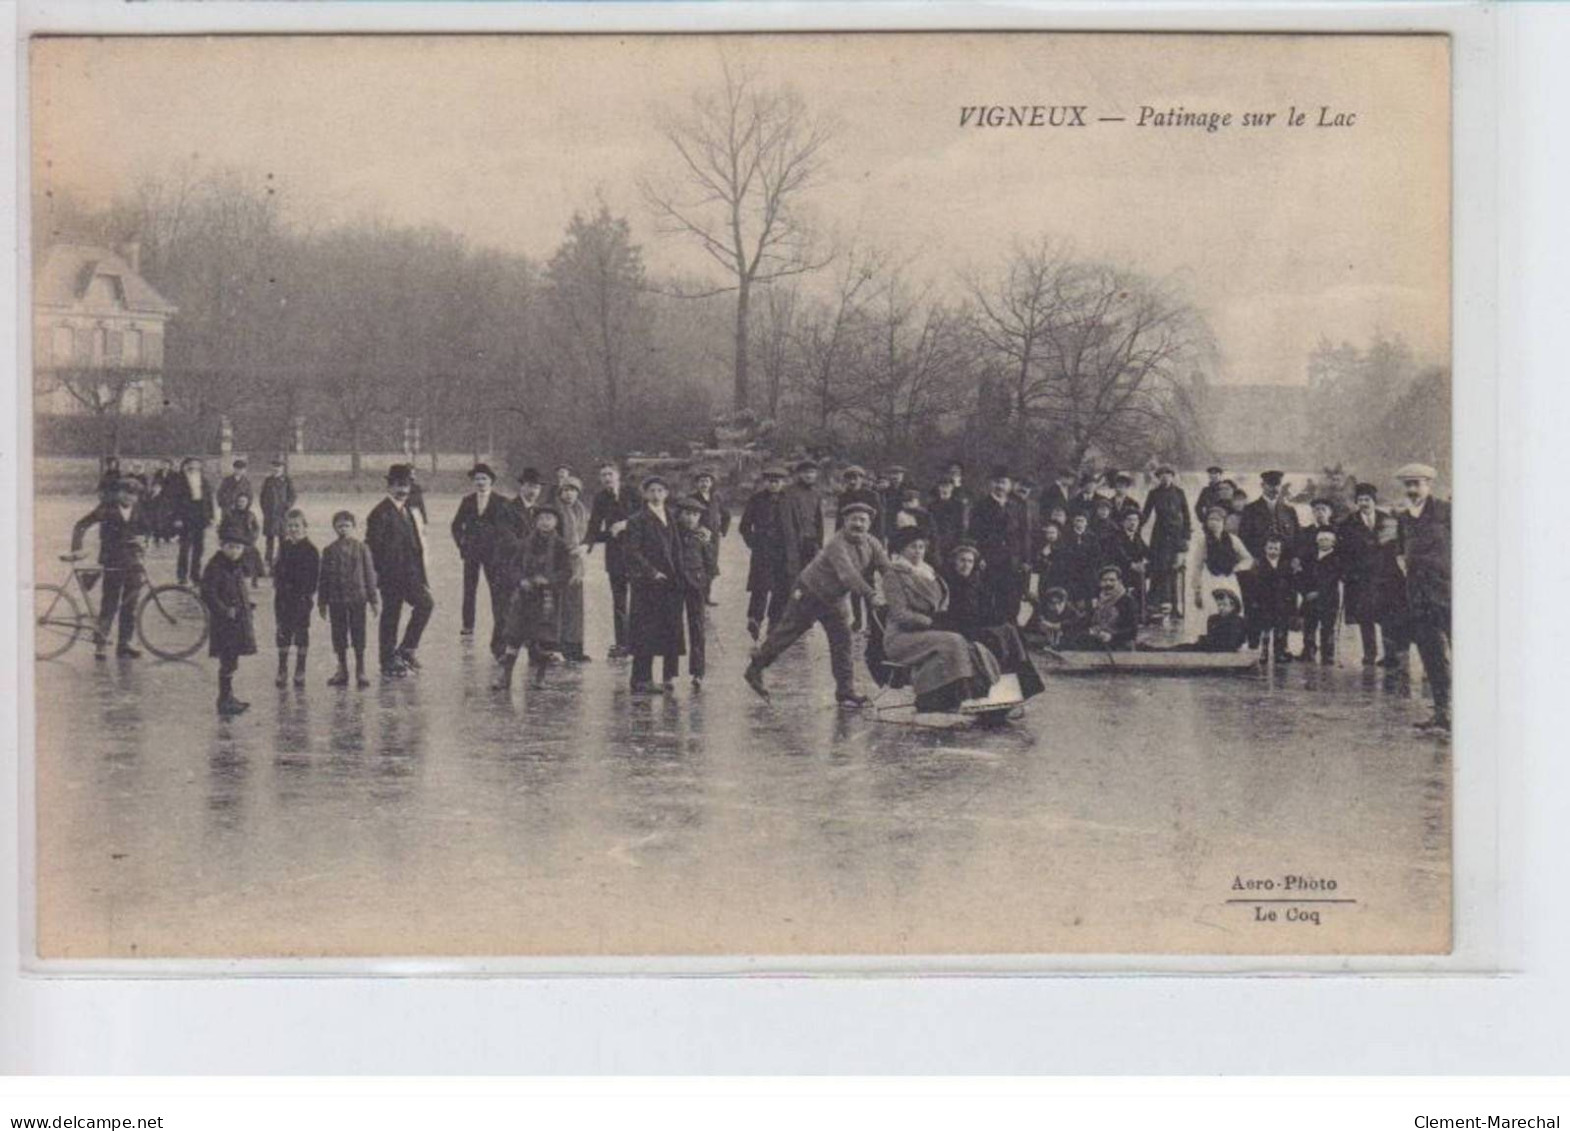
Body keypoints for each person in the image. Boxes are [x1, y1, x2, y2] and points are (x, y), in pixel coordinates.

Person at [743, 500, 891, 706]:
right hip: (810, 593)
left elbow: (887, 569)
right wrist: (872, 595)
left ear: (869, 524)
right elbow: (848, 576)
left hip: (835, 599)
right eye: (853, 519)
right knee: (786, 634)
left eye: (863, 520)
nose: (858, 524)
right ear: (844, 522)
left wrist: (901, 586)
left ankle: (845, 691)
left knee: (843, 643)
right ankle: (755, 667)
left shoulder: (872, 543)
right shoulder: (836, 544)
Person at [880, 527, 1025, 715]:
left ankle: (983, 697)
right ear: (901, 550)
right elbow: (900, 614)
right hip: (902, 637)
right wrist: (931, 622)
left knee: (971, 642)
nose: (918, 551)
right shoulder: (894, 574)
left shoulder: (928, 572)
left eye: (921, 547)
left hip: (926, 633)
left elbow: (942, 606)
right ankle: (942, 699)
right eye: (912, 547)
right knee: (953, 641)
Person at [493, 504, 573, 691]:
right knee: (514, 636)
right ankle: (505, 677)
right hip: (524, 598)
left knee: (544, 638)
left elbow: (566, 572)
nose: (545, 523)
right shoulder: (525, 543)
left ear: (556, 522)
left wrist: (548, 581)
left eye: (549, 519)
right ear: (535, 522)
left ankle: (540, 677)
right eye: (541, 519)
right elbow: (513, 567)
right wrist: (521, 581)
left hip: (548, 600)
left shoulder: (561, 545)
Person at [365, 463, 434, 677]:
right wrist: (379, 576)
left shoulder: (410, 511)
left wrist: (422, 577)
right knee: (391, 616)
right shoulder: (379, 513)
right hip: (391, 575)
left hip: (411, 574)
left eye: (406, 485)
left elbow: (417, 546)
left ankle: (406, 649)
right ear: (389, 487)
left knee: (426, 604)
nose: (403, 490)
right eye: (397, 486)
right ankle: (387, 660)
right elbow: (373, 547)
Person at [1396, 463, 1451, 730]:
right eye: (1408, 484)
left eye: (1417, 483)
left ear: (1429, 485)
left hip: (1448, 595)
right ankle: (1442, 713)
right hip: (1418, 598)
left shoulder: (1445, 511)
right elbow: (1400, 555)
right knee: (1432, 656)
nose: (1412, 489)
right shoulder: (1404, 518)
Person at [69, 477, 149, 659]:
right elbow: (81, 525)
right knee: (110, 604)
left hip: (134, 562)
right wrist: (76, 549)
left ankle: (124, 644)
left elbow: (147, 529)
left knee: (131, 604)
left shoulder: (138, 509)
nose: (129, 497)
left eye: (134, 494)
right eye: (126, 492)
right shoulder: (106, 508)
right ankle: (101, 644)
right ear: (118, 492)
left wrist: (144, 540)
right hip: (112, 561)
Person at [623, 476, 687, 694]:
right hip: (647, 584)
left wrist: (680, 574)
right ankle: (641, 679)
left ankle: (669, 676)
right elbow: (633, 551)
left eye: (661, 490)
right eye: (652, 490)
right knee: (645, 630)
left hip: (670, 582)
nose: (656, 494)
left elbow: (678, 547)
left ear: (666, 494)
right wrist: (652, 572)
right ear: (645, 494)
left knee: (669, 627)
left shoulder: (671, 516)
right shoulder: (637, 519)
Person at [584, 461, 641, 659]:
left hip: (637, 554)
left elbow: (647, 515)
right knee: (618, 601)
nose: (607, 478)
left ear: (618, 475)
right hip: (615, 555)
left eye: (610, 474)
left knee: (640, 600)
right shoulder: (600, 498)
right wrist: (586, 545)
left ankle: (639, 643)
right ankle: (622, 644)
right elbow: (594, 524)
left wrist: (626, 523)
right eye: (603, 475)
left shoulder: (632, 492)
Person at [450, 463, 511, 647]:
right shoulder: (467, 501)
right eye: (477, 479)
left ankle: (500, 625)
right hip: (472, 552)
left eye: (484, 479)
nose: (480, 482)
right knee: (469, 589)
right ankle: (468, 625)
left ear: (491, 481)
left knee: (497, 590)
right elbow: (455, 525)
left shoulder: (502, 501)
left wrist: (503, 548)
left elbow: (509, 528)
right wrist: (462, 544)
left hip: (494, 554)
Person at [317, 510, 378, 688]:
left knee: (359, 634)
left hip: (358, 599)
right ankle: (342, 669)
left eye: (347, 525)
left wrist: (373, 600)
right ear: (334, 528)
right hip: (336, 600)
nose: (343, 529)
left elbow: (369, 575)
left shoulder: (362, 548)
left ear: (353, 527)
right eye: (340, 525)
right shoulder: (329, 550)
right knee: (339, 635)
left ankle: (361, 670)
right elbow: (323, 578)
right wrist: (322, 602)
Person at [202, 531, 257, 717]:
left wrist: (247, 604)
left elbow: (238, 589)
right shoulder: (216, 566)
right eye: (230, 547)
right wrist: (224, 610)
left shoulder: (236, 566)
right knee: (227, 660)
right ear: (222, 546)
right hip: (224, 623)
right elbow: (208, 593)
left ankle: (228, 696)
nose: (234, 551)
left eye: (238, 548)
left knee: (232, 660)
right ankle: (224, 699)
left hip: (237, 620)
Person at [739, 465, 797, 640]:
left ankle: (775, 621)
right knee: (760, 587)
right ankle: (755, 619)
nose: (774, 485)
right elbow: (744, 526)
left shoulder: (790, 501)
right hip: (763, 551)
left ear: (783, 483)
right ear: (766, 482)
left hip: (784, 552)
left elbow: (797, 526)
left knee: (782, 588)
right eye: (771, 481)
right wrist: (754, 543)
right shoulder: (756, 500)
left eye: (777, 481)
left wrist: (794, 548)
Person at [969, 466, 1030, 627]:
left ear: (1010, 485)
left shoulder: (1017, 506)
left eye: (1003, 482)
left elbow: (1024, 534)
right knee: (988, 596)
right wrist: (979, 556)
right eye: (996, 482)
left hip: (1012, 560)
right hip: (990, 559)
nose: (1000, 486)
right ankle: (989, 632)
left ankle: (1010, 632)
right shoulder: (980, 506)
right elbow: (974, 534)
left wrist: (1025, 559)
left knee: (1011, 598)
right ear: (990, 484)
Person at [1337, 483, 1385, 666]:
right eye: (1360, 500)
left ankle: (1390, 655)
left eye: (1367, 500)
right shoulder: (1348, 524)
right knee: (1366, 618)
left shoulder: (1387, 520)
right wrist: (1347, 574)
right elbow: (1342, 553)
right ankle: (1370, 655)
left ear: (1374, 501)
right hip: (1361, 579)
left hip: (1383, 578)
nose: (1364, 503)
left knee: (1387, 616)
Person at [271, 508, 319, 688]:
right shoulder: (284, 546)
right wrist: (279, 586)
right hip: (283, 599)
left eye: (297, 526)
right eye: (290, 526)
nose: (293, 529)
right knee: (283, 632)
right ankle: (282, 668)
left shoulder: (311, 550)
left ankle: (300, 669)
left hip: (301, 599)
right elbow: (277, 571)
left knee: (301, 633)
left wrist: (306, 596)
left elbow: (313, 578)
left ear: (305, 528)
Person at [673, 496, 715, 690]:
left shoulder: (702, 536)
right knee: (672, 628)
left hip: (696, 585)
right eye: (687, 514)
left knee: (697, 627)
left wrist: (704, 584)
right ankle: (669, 673)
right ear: (679, 515)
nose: (691, 518)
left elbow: (711, 564)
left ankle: (698, 672)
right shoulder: (671, 533)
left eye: (695, 515)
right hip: (674, 584)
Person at [1140, 465, 1192, 620]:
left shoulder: (1179, 493)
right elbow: (1145, 514)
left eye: (1168, 474)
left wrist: (1186, 537)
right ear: (1158, 477)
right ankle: (1156, 605)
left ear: (1172, 476)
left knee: (1174, 570)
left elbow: (1187, 516)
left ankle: (1175, 607)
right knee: (1160, 570)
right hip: (1159, 538)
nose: (1165, 477)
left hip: (1176, 538)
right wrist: (1134, 529)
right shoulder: (1154, 494)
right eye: (1161, 475)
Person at [835, 465, 883, 631]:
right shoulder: (843, 497)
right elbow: (838, 523)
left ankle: (872, 620)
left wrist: (877, 545)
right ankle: (857, 620)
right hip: (849, 544)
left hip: (868, 544)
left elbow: (879, 523)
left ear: (862, 479)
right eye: (850, 479)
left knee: (868, 581)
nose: (853, 481)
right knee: (854, 581)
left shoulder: (872, 496)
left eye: (856, 478)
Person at [1190, 505, 1255, 619]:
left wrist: (1237, 568)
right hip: (1210, 580)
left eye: (1217, 519)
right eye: (1211, 519)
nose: (1214, 523)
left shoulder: (1232, 539)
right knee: (1212, 610)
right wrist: (1197, 590)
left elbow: (1248, 559)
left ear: (1223, 522)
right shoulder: (1203, 541)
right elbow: (1197, 566)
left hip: (1229, 580)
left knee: (1232, 610)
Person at [554, 476, 592, 663]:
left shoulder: (581, 510)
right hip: (560, 562)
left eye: (573, 490)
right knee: (559, 606)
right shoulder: (556, 511)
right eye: (565, 490)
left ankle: (575, 647)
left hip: (577, 563)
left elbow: (588, 534)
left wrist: (584, 547)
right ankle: (557, 647)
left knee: (575, 606)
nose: (569, 494)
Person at [1371, 511, 1412, 669]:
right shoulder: (1378, 546)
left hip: (1399, 592)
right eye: (1384, 528)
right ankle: (1390, 657)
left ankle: (1402, 663)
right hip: (1382, 591)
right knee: (1385, 624)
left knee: (1401, 626)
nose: (1387, 531)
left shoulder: (1400, 547)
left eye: (1392, 528)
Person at [1296, 527, 1343, 663]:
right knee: (1309, 625)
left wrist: (1318, 593)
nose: (1323, 542)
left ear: (1333, 542)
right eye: (1321, 539)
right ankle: (1309, 651)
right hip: (1309, 598)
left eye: (1327, 539)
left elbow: (1332, 579)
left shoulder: (1337, 558)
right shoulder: (1309, 557)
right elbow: (1301, 576)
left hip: (1328, 598)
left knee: (1327, 626)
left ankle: (1327, 654)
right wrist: (1305, 592)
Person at [1065, 565, 1139, 650]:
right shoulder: (1099, 599)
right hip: (1099, 642)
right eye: (1104, 580)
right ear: (1100, 583)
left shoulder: (1127, 601)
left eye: (1112, 580)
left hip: (1120, 646)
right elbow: (1087, 620)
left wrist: (1112, 636)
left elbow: (1132, 631)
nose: (1108, 583)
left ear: (1119, 581)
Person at [1247, 534, 1296, 663]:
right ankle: (1263, 652)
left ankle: (1279, 652)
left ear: (1280, 550)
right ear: (1265, 549)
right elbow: (1253, 584)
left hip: (1281, 601)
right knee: (1265, 628)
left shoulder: (1285, 565)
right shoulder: (1259, 564)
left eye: (1276, 549)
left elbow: (1291, 584)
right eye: (1270, 548)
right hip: (1265, 602)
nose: (1273, 551)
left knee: (1280, 628)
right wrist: (1255, 601)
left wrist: (1290, 599)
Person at [169, 456, 216, 586]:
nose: (194, 469)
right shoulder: (178, 481)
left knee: (199, 548)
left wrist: (211, 516)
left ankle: (195, 575)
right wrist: (176, 517)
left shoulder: (203, 480)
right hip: (185, 517)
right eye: (191, 466)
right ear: (185, 467)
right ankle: (182, 576)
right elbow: (173, 501)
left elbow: (209, 499)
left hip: (200, 517)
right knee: (184, 548)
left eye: (197, 466)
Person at [1153, 589, 1248, 653]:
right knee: (1178, 648)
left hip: (1215, 651)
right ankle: (1151, 650)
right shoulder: (1213, 619)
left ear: (1233, 605)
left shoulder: (1238, 622)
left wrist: (1205, 641)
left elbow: (1231, 644)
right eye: (1219, 605)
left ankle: (1153, 651)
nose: (1221, 608)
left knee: (1179, 649)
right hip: (1206, 649)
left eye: (1224, 605)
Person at [690, 466, 730, 607]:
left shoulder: (716, 497)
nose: (704, 484)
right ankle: (698, 596)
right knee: (698, 566)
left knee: (711, 566)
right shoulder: (692, 498)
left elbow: (726, 515)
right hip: (697, 537)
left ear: (711, 483)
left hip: (713, 538)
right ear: (697, 483)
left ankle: (706, 596)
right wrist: (694, 530)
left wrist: (722, 530)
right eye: (701, 481)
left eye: (707, 481)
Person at [783, 459, 826, 570]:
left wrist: (820, 543)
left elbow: (819, 520)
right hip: (794, 541)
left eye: (812, 472)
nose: (809, 475)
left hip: (811, 541)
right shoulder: (788, 492)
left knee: (811, 574)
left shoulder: (816, 494)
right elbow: (786, 520)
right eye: (805, 472)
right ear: (799, 474)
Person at [1105, 508, 1150, 613]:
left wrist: (1153, 560)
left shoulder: (1137, 537)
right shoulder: (1116, 537)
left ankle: (1143, 610)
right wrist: (1132, 564)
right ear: (1123, 522)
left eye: (1135, 520)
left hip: (1134, 571)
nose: (1133, 523)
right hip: (1119, 570)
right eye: (1129, 520)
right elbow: (1120, 555)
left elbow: (1147, 552)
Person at [259, 456, 297, 574]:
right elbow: (262, 496)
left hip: (282, 515)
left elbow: (293, 495)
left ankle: (281, 562)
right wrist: (265, 509)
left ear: (283, 468)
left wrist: (287, 506)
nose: (276, 469)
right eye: (274, 467)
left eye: (279, 467)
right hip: (270, 515)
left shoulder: (287, 480)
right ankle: (268, 563)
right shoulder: (268, 480)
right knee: (269, 540)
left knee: (282, 539)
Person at [218, 489, 264, 587]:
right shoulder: (230, 514)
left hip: (246, 540)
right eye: (239, 501)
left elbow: (256, 528)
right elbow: (222, 528)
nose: (241, 504)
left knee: (254, 552)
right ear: (236, 502)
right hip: (232, 539)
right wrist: (224, 539)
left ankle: (254, 578)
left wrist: (253, 538)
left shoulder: (250, 515)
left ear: (247, 503)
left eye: (243, 502)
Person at [929, 477, 969, 567]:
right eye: (942, 486)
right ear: (938, 488)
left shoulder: (959, 506)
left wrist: (959, 544)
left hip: (954, 543)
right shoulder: (932, 506)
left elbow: (961, 527)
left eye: (947, 486)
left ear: (952, 488)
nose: (944, 489)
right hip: (937, 543)